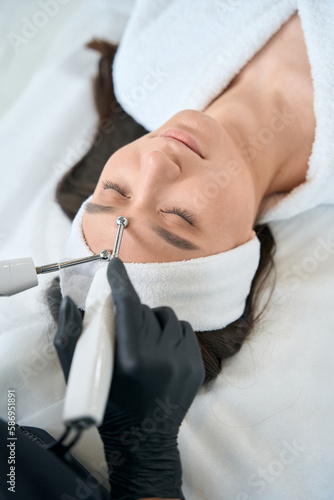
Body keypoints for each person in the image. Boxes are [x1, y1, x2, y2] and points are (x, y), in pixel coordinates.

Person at [44, 2, 334, 499]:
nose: (155, 161)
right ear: (241, 250)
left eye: (113, 190)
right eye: (179, 219)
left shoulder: (147, 66)